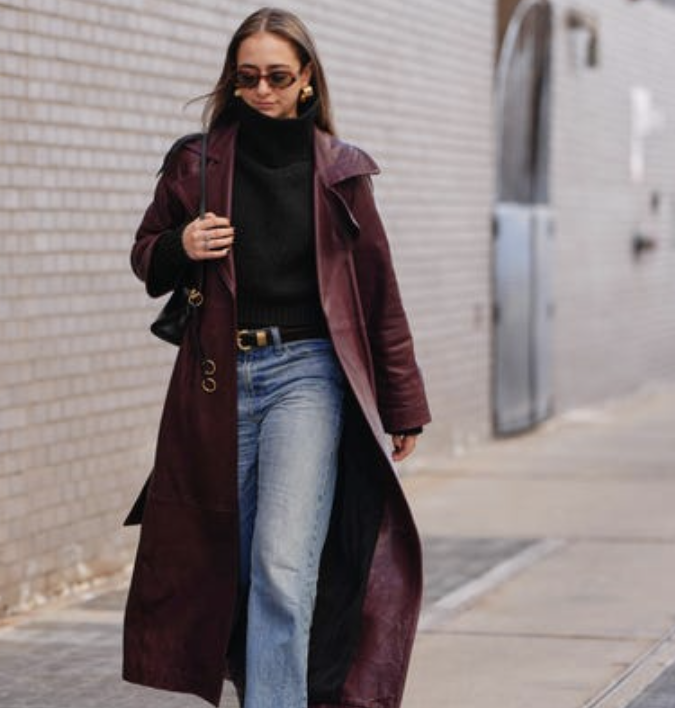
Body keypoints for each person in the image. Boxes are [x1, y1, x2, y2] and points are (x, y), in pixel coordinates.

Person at [123, 8, 431, 708]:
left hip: (307, 376)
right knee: (226, 564)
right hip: (217, 381)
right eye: (248, 77)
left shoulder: (341, 173)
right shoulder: (197, 163)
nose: (262, 90)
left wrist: (403, 402)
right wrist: (180, 246)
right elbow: (146, 256)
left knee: (282, 565)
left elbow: (379, 292)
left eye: (278, 77)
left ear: (307, 80)